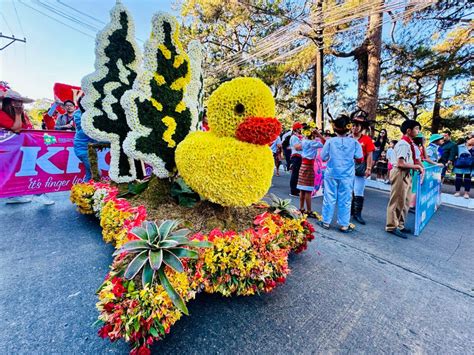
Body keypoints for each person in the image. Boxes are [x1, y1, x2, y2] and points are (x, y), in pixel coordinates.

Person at [0, 90, 55, 205]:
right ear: (9, 102)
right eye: (16, 101)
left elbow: (26, 128)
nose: (19, 104)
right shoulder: (2, 114)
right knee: (30, 169)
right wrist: (19, 114)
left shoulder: (20, 114)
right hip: (10, 150)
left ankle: (29, 194)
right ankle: (31, 194)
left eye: (21, 101)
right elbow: (17, 128)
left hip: (21, 148)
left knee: (29, 169)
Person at [318, 114, 363, 233]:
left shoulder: (330, 142)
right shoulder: (354, 143)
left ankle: (326, 221)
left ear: (335, 128)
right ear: (349, 128)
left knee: (329, 197)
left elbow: (323, 157)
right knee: (346, 198)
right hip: (347, 175)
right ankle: (344, 224)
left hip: (332, 172)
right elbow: (359, 158)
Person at [385, 120, 424, 239]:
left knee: (405, 201)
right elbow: (400, 163)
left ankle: (400, 225)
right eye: (416, 128)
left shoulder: (410, 144)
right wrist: (416, 167)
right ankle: (392, 226)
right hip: (400, 172)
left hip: (407, 173)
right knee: (397, 200)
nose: (418, 131)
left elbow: (414, 160)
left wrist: (418, 166)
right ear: (408, 130)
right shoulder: (403, 144)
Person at [350, 109, 375, 225]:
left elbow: (370, 154)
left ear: (362, 127)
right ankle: (349, 211)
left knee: (358, 190)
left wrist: (369, 168)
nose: (355, 128)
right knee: (347, 190)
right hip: (347, 167)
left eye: (357, 126)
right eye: (353, 125)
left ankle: (357, 214)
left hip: (360, 167)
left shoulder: (367, 139)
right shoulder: (347, 138)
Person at [296, 129, 325, 217]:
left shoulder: (304, 141)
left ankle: (301, 208)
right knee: (308, 190)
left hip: (303, 165)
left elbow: (297, 147)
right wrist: (318, 134)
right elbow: (324, 142)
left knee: (302, 189)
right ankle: (309, 210)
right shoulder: (313, 143)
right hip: (309, 166)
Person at [74, 96, 97, 182]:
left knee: (89, 174)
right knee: (97, 173)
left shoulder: (93, 112)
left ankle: (83, 193)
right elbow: (88, 129)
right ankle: (90, 193)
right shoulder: (78, 114)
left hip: (91, 149)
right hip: (82, 149)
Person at [453, 132, 474, 199]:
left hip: (469, 166)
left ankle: (466, 193)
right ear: (468, 139)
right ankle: (457, 191)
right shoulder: (459, 146)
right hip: (459, 165)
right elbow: (454, 154)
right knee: (458, 179)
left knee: (467, 179)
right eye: (472, 139)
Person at [289, 122, 303, 197]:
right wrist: (305, 143)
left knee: (298, 174)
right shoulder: (294, 137)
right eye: (300, 128)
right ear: (296, 129)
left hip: (300, 157)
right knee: (295, 174)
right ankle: (293, 190)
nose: (301, 129)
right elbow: (297, 147)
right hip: (296, 157)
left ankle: (297, 189)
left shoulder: (299, 137)